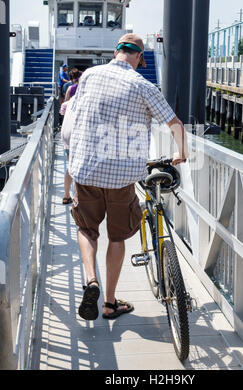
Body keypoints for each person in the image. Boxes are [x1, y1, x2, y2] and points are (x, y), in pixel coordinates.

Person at [68, 33, 188, 321]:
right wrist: (181, 154)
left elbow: (77, 115)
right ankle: (109, 303)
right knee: (118, 237)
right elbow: (175, 124)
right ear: (139, 59)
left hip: (85, 169)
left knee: (87, 229)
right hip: (122, 178)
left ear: (116, 51)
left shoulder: (89, 76)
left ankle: (90, 281)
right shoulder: (143, 85)